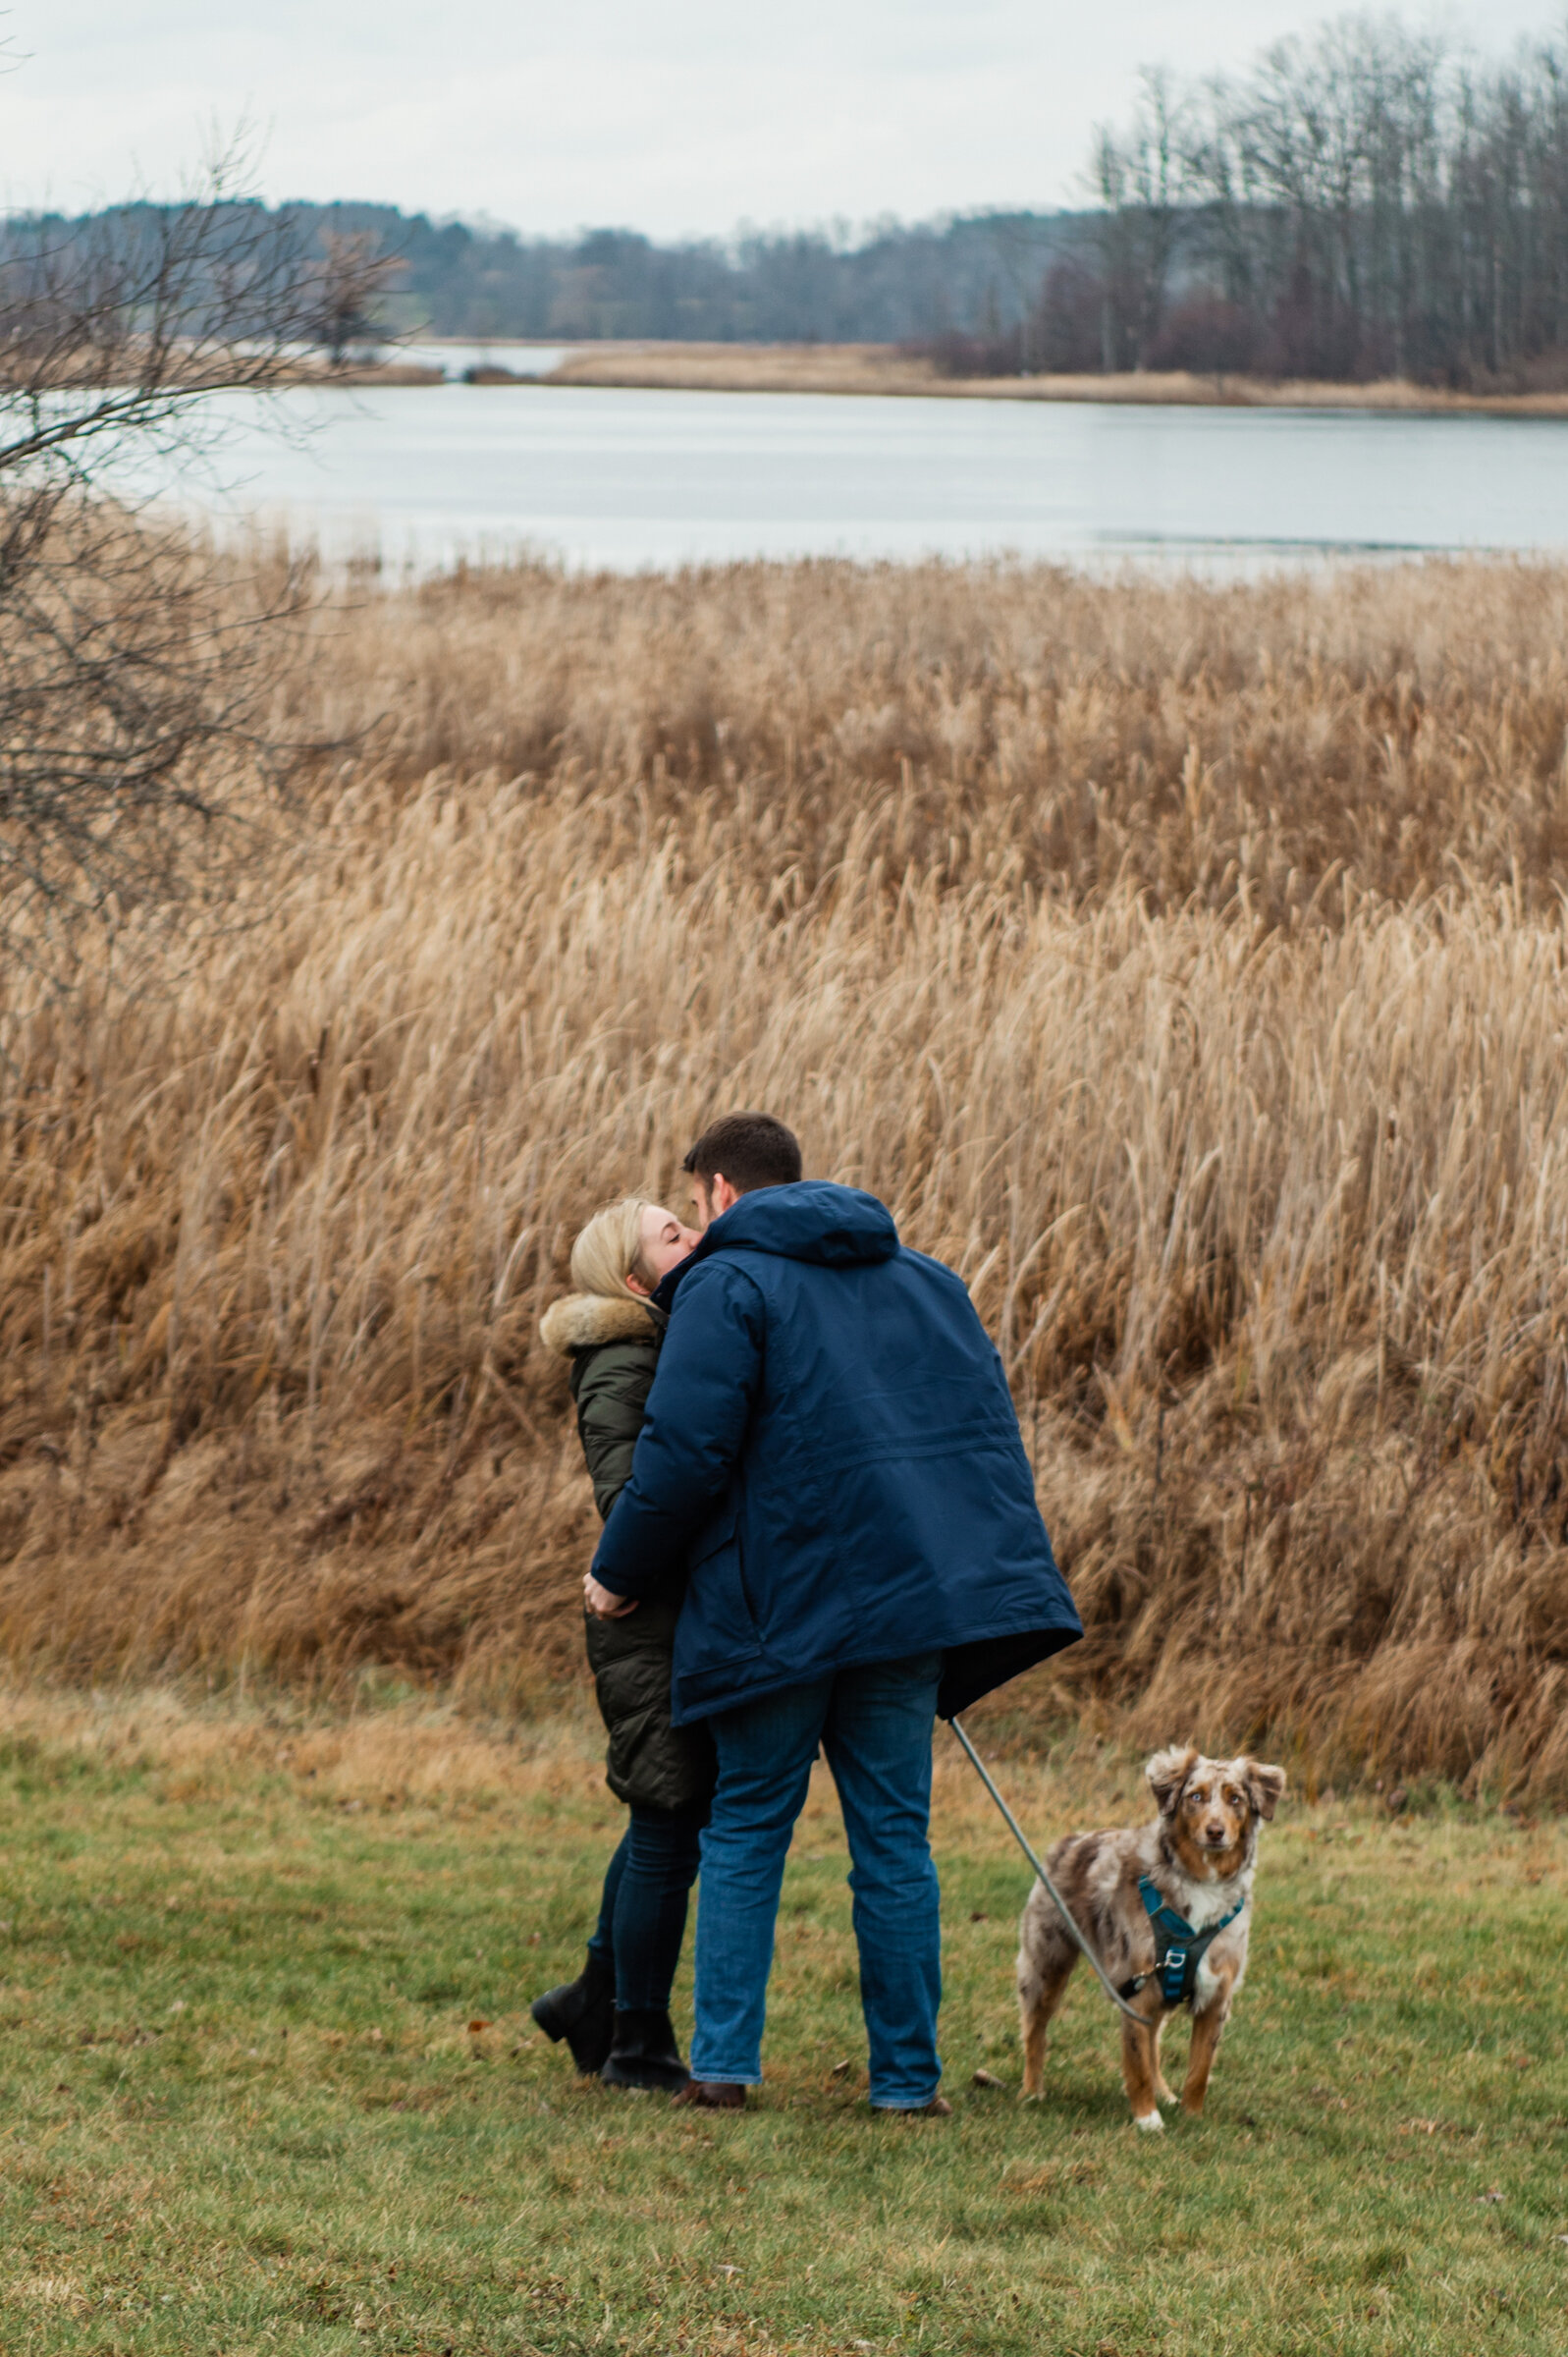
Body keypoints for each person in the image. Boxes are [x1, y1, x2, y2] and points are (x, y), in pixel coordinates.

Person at [587, 1112, 1082, 2113]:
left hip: (773, 1609)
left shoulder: (728, 1284)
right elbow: (978, 1438)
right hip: (904, 1610)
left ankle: (723, 2069)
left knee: (745, 1829)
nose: (696, 1224)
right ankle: (908, 2083)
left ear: (721, 1191)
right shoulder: (928, 1279)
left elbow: (683, 1455)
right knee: (895, 1843)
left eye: (693, 1206)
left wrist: (617, 1570)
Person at [531, 1195, 714, 2092]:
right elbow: (628, 1498)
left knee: (664, 1818)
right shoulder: (621, 1360)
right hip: (648, 1625)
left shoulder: (658, 1345)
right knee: (665, 1827)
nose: (694, 1233)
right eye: (672, 1234)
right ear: (635, 1280)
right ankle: (636, 2042)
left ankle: (592, 1999)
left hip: (668, 1616)